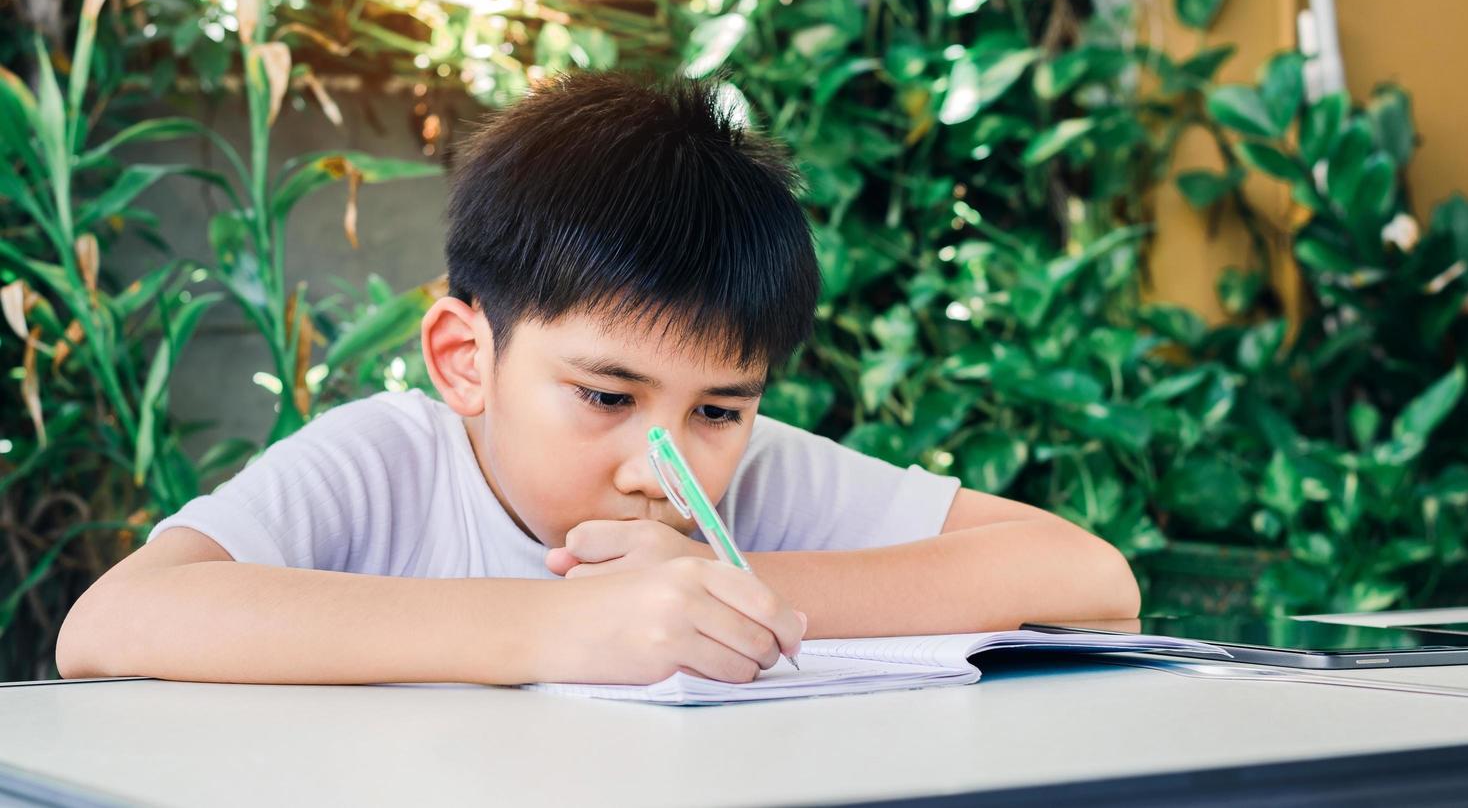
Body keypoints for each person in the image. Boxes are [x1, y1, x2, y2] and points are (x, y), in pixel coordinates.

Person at [56, 72, 1138, 687]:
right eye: (607, 396)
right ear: (464, 357)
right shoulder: (386, 461)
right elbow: (111, 623)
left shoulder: (749, 486)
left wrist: (736, 588)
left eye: (719, 406)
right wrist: (551, 625)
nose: (661, 459)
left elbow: (1090, 577)